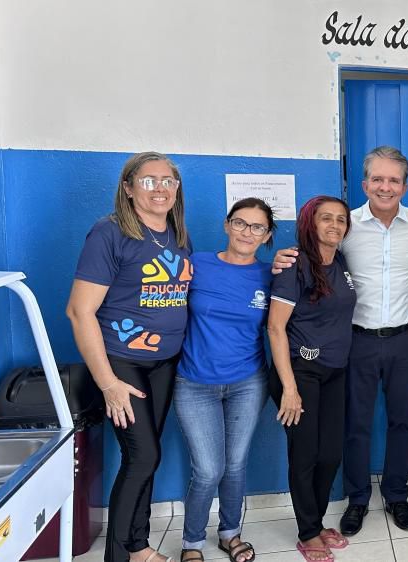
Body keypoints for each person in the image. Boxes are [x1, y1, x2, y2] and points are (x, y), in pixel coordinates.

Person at [66, 151, 192, 562]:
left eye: (168, 181)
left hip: (164, 364)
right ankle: (119, 557)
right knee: (144, 456)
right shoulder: (110, 233)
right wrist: (108, 383)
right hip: (122, 363)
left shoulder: (177, 234)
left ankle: (139, 548)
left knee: (147, 456)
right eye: (149, 180)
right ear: (128, 188)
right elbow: (79, 311)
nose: (160, 188)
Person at [174, 198, 276, 562]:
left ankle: (230, 533)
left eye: (257, 227)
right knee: (207, 470)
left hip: (248, 382)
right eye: (240, 223)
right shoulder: (195, 264)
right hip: (193, 383)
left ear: (267, 236)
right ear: (226, 225)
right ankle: (192, 542)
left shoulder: (271, 275)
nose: (247, 232)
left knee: (235, 464)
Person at [338, 146, 408, 536]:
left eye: (393, 180)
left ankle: (396, 494)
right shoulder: (345, 225)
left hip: (406, 340)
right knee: (356, 424)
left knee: (402, 422)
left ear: (405, 186)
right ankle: (357, 499)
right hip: (356, 341)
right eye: (377, 178)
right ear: (365, 184)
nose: (385, 186)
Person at [267, 196, 357, 562]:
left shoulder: (342, 262)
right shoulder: (294, 264)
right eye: (326, 219)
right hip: (299, 372)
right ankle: (307, 532)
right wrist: (289, 388)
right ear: (310, 222)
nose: (334, 225)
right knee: (304, 455)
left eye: (341, 220)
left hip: (335, 371)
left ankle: (316, 521)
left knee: (330, 454)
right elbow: (275, 328)